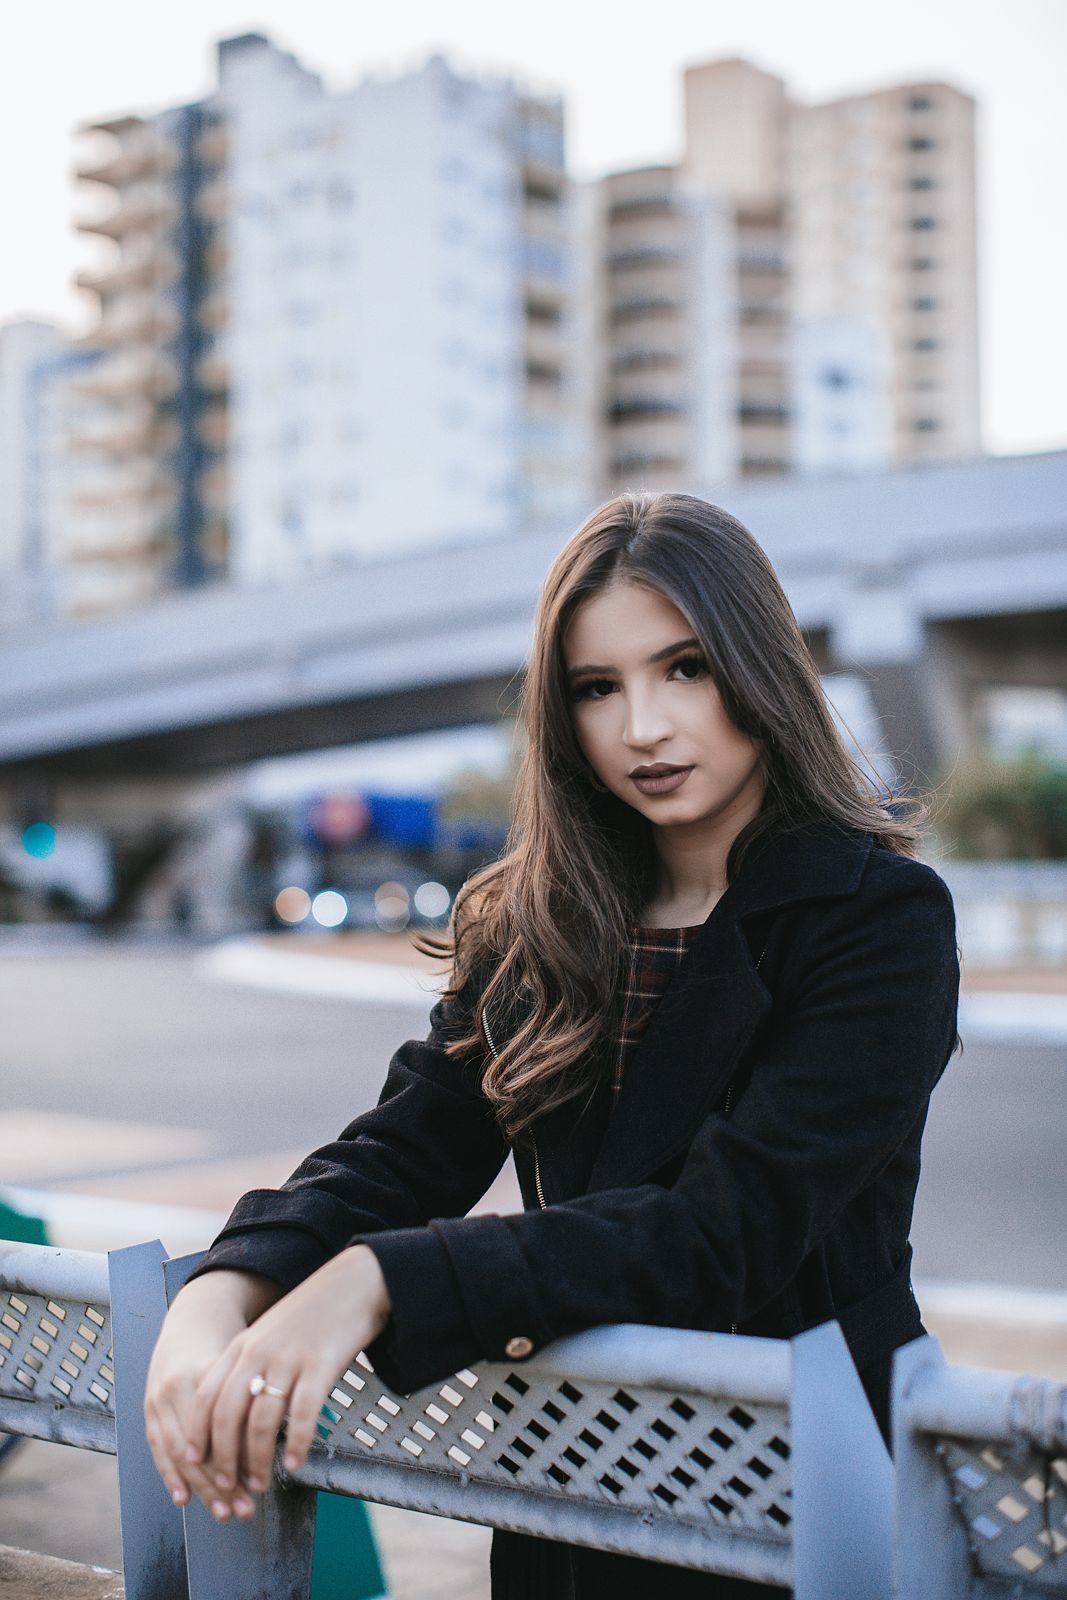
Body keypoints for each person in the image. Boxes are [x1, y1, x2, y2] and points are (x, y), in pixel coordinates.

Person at [144, 492, 961, 1598]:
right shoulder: (540, 919)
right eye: (595, 687)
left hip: (801, 1499)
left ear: (756, 666)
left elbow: (720, 1235)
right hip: (571, 1494)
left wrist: (384, 1279)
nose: (642, 726)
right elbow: (402, 1148)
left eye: (683, 668)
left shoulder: (875, 915)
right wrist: (223, 1287)